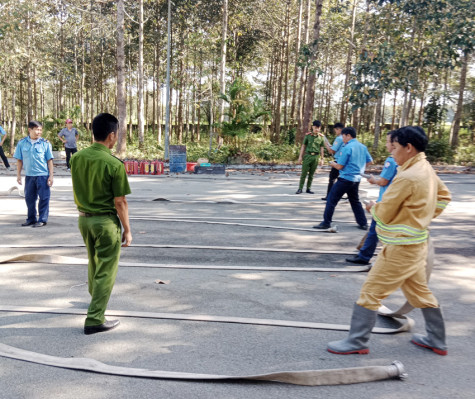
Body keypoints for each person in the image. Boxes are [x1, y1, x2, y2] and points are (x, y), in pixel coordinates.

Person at [327, 126, 451, 356]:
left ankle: (357, 342)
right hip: (415, 245)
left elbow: (383, 214)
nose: (391, 152)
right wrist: (422, 217)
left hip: (401, 247)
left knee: (371, 291)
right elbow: (444, 196)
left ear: (408, 147)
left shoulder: (408, 176)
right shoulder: (424, 168)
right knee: (419, 292)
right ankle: (437, 340)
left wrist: (373, 207)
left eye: (394, 147)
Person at [70, 113, 132, 335]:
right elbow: (120, 201)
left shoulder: (76, 158)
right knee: (106, 268)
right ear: (112, 135)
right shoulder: (114, 164)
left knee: (93, 261)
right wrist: (127, 230)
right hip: (105, 222)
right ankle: (95, 318)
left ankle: (94, 300)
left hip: (84, 220)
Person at [346, 131, 398, 265]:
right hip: (391, 200)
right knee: (375, 229)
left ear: (394, 144)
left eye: (387, 142)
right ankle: (363, 251)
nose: (386, 144)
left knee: (376, 229)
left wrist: (373, 180)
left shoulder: (391, 161)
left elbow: (384, 181)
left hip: (385, 201)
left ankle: (364, 255)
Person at [314, 126, 372, 230]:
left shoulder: (347, 147)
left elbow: (340, 166)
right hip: (356, 178)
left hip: (345, 178)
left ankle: (326, 222)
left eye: (343, 136)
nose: (342, 139)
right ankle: (363, 223)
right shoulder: (363, 147)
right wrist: (359, 167)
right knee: (355, 201)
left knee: (331, 199)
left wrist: (332, 164)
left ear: (348, 136)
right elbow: (370, 161)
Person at [14, 121, 54, 227]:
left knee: (44, 198)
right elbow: (19, 160)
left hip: (43, 175)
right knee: (29, 198)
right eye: (37, 129)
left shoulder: (45, 143)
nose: (39, 132)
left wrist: (51, 175)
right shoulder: (22, 143)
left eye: (40, 130)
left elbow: (49, 160)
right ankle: (31, 219)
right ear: (29, 130)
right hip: (29, 176)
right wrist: (18, 175)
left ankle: (42, 219)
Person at [296, 120, 325, 194]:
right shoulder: (308, 136)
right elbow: (303, 146)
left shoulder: (321, 137)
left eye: (318, 128)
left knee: (311, 174)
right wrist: (300, 157)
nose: (317, 129)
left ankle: (308, 188)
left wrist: (322, 159)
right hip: (308, 156)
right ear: (312, 127)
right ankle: (300, 188)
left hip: (315, 157)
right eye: (315, 127)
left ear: (320, 128)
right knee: (304, 173)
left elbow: (322, 148)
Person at [321, 122, 345, 201]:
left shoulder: (339, 138)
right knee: (342, 178)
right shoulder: (345, 138)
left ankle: (329, 196)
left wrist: (326, 143)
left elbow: (332, 151)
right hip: (343, 160)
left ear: (339, 129)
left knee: (332, 179)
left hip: (338, 161)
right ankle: (340, 194)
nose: (335, 131)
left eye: (335, 130)